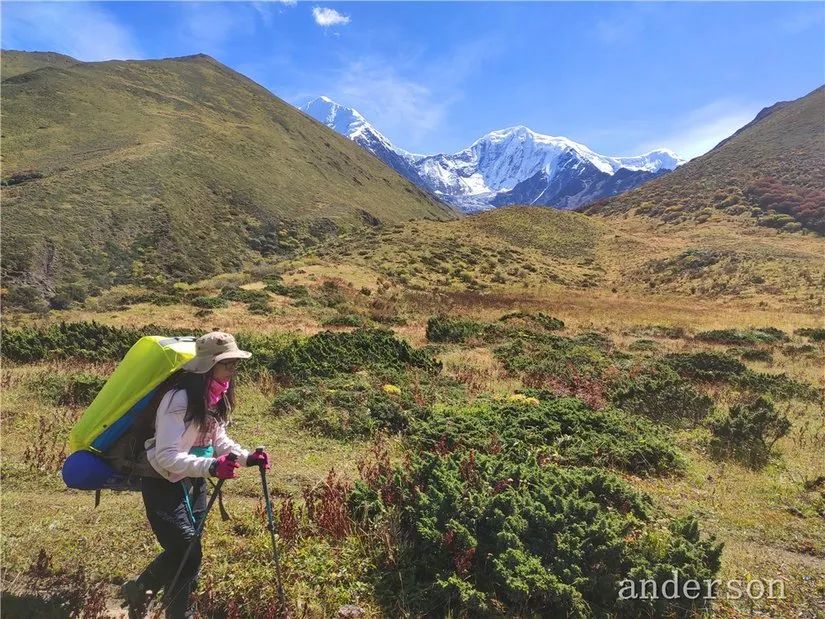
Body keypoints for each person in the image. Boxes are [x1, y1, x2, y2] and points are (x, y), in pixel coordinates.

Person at [121, 331, 270, 619]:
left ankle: (149, 595)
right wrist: (212, 467)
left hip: (193, 480)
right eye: (227, 363)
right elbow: (166, 455)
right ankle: (168, 606)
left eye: (234, 363)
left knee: (188, 551)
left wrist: (248, 457)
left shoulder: (215, 395)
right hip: (162, 480)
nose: (233, 369)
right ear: (207, 365)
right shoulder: (178, 400)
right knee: (186, 549)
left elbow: (218, 440)